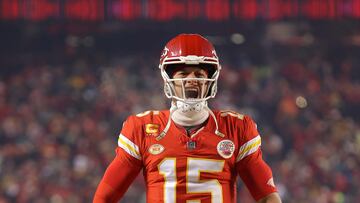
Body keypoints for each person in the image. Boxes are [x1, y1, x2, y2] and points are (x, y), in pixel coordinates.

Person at [93, 34, 282, 203]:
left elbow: (267, 196)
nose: (192, 79)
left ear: (212, 78)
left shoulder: (236, 128)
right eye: (183, 73)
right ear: (167, 78)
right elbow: (106, 196)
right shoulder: (142, 128)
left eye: (199, 74)